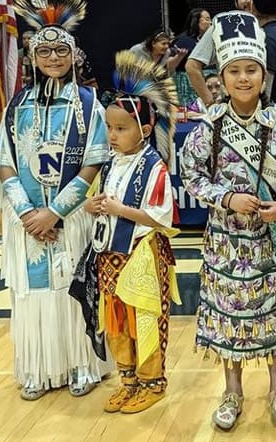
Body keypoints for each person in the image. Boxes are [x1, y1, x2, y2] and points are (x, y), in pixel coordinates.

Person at [181, 11, 276, 430]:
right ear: (221, 76)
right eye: (234, 71)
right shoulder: (210, 127)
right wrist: (227, 197)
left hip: (271, 240)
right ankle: (232, 391)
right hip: (226, 242)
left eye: (251, 70)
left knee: (274, 312)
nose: (242, 78)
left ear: (264, 74)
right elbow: (192, 176)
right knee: (228, 317)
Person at [0, 0, 111, 401]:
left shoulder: (89, 106)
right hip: (27, 223)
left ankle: (80, 364)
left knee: (71, 290)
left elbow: (93, 162)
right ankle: (37, 367)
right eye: (44, 51)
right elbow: (4, 163)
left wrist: (54, 212)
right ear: (32, 56)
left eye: (61, 51)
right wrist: (27, 214)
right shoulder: (17, 107)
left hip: (70, 218)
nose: (53, 58)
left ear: (73, 55)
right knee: (34, 294)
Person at [80, 50, 179, 414]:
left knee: (145, 318)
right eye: (109, 128)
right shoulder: (109, 162)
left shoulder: (154, 166)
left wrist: (121, 210)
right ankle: (128, 380)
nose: (113, 135)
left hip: (142, 254)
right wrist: (92, 206)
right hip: (110, 254)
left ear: (146, 130)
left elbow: (162, 217)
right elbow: (97, 201)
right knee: (117, 319)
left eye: (121, 128)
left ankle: (153, 382)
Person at [187, 0, 276, 120]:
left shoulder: (265, 36)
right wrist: (213, 106)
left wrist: (212, 106)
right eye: (234, 71)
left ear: (252, 6)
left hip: (268, 120)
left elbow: (264, 92)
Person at [173, 8, 212, 106]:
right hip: (188, 85)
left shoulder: (211, 40)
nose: (210, 22)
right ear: (196, 21)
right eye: (206, 19)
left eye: (210, 19)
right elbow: (169, 66)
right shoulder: (183, 41)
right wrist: (179, 57)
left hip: (210, 83)